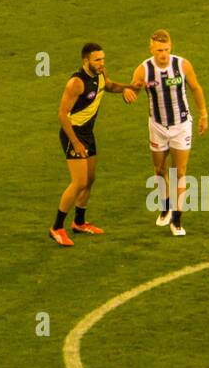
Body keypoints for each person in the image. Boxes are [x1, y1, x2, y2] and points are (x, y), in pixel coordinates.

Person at [49, 42, 143, 247]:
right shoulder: (76, 83)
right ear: (86, 61)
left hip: (88, 133)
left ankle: (79, 222)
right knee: (79, 182)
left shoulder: (99, 74)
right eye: (97, 60)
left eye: (103, 59)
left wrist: (128, 88)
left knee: (90, 179)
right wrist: (75, 142)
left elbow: (107, 85)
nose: (101, 63)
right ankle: (56, 227)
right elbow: (62, 115)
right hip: (73, 134)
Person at [123, 29, 209, 235]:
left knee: (179, 172)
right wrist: (127, 93)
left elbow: (196, 88)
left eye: (166, 49)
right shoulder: (143, 70)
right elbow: (132, 89)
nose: (163, 53)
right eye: (159, 50)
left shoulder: (182, 65)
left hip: (181, 125)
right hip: (158, 126)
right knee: (160, 170)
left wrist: (204, 114)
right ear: (151, 48)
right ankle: (165, 207)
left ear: (171, 47)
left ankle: (177, 219)